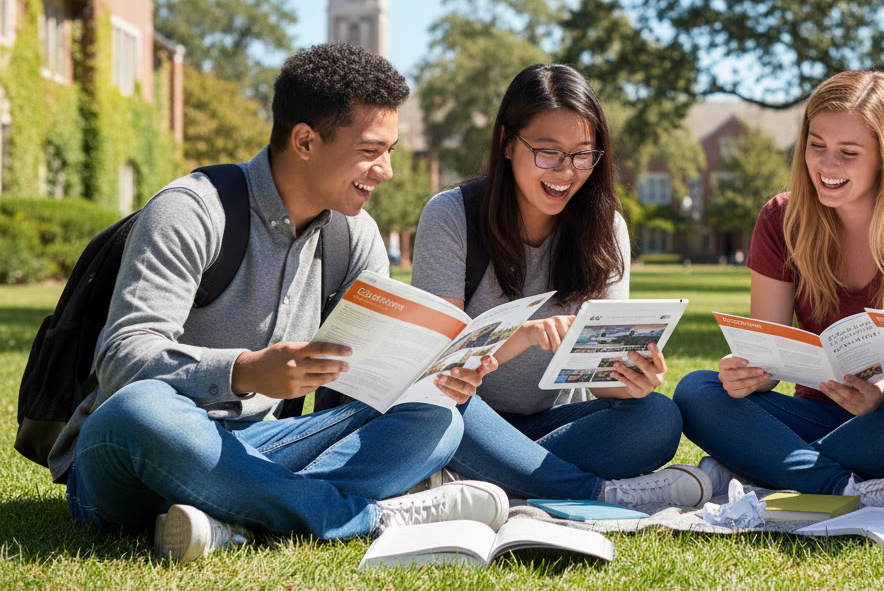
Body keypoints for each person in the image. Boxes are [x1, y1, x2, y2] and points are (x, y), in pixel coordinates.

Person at [53, 43, 508, 563]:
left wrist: (436, 375)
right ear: (305, 141)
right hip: (137, 456)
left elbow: (368, 382)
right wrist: (245, 372)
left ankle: (232, 518)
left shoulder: (355, 235)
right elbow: (122, 358)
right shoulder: (191, 211)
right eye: (369, 150)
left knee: (437, 419)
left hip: (261, 448)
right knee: (139, 409)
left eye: (391, 151)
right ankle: (363, 515)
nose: (384, 170)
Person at [412, 64, 711, 509]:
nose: (566, 172)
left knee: (657, 417)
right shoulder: (451, 215)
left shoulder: (606, 229)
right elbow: (441, 370)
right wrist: (526, 336)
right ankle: (598, 494)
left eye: (583, 154)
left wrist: (630, 380)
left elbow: (600, 385)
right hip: (466, 416)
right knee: (432, 414)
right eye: (548, 152)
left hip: (554, 425)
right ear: (507, 143)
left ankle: (490, 478)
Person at [673, 69, 884, 506]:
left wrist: (881, 391)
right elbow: (769, 354)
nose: (826, 166)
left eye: (848, 153)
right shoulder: (781, 218)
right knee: (697, 392)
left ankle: (764, 468)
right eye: (816, 146)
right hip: (813, 415)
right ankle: (846, 488)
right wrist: (749, 374)